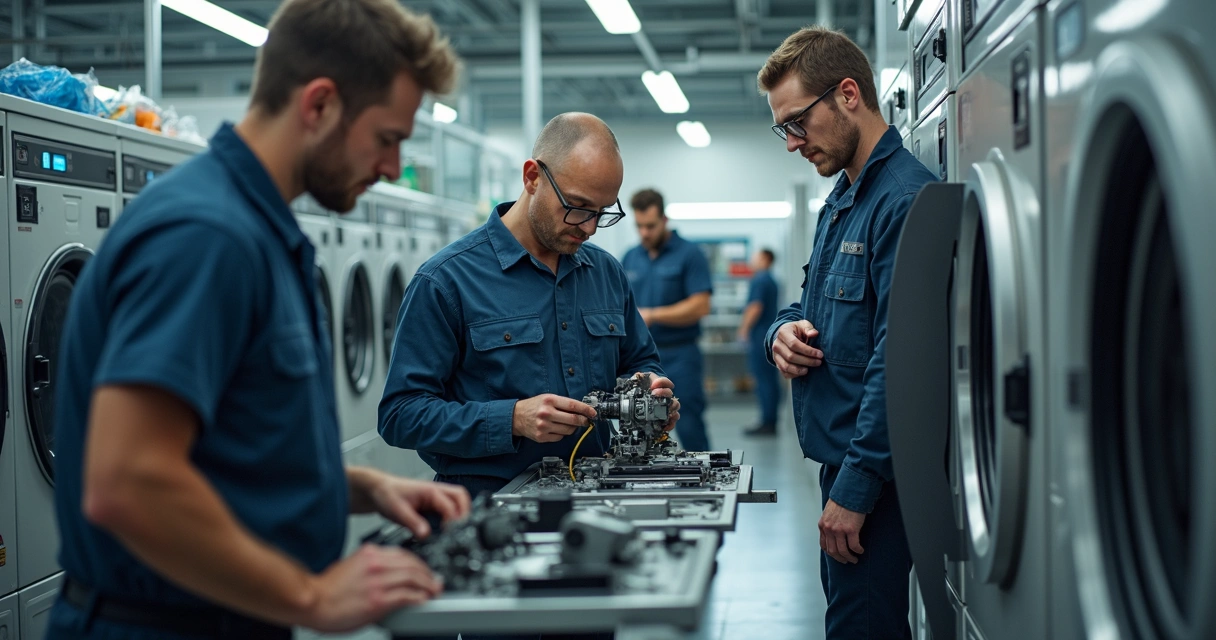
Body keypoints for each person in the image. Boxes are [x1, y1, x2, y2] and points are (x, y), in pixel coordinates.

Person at [47, 2, 472, 638]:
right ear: (320, 104)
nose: (391, 169)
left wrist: (359, 487)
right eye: (388, 138)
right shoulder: (206, 234)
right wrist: (311, 598)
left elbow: (228, 448)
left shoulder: (258, 230)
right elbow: (128, 480)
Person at [379, 112, 680, 500]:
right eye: (578, 207)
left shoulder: (606, 273)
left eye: (602, 213)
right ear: (532, 177)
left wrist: (652, 390)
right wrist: (512, 419)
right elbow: (400, 415)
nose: (589, 228)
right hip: (489, 506)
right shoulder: (446, 280)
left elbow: (640, 361)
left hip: (599, 500)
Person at [758, 26, 937, 639]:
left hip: (878, 475)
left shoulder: (903, 199)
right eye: (783, 128)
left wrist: (857, 489)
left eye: (797, 122)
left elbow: (903, 359)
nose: (792, 143)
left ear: (849, 94)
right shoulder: (844, 200)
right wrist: (779, 331)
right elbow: (810, 300)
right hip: (846, 462)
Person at [620, 189, 714, 452]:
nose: (644, 233)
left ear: (664, 219)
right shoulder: (630, 257)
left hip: (680, 354)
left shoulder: (689, 254)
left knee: (690, 423)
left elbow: (701, 305)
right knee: (638, 427)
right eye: (639, 226)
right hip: (639, 360)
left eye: (650, 226)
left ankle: (703, 486)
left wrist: (651, 314)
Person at [736, 248, 781, 436]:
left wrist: (743, 329)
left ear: (765, 258)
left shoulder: (760, 279)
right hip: (769, 334)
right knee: (769, 378)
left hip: (760, 335)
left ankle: (767, 422)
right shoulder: (771, 280)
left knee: (763, 379)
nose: (752, 259)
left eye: (756, 255)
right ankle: (770, 419)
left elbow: (755, 306)